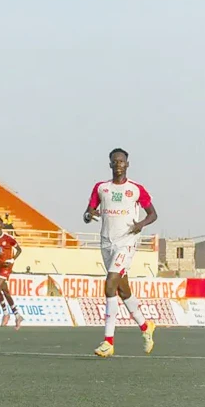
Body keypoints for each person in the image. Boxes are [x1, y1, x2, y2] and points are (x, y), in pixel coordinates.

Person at [84, 148, 159, 358]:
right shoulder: (101, 188)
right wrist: (89, 215)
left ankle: (108, 341)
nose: (118, 164)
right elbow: (88, 212)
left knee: (110, 284)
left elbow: (153, 214)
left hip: (127, 242)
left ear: (127, 165)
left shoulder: (135, 189)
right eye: (114, 161)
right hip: (107, 243)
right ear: (110, 165)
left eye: (121, 161)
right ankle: (146, 327)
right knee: (123, 290)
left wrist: (141, 225)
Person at [0, 216, 24, 329]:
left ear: (2, 226)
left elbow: (19, 250)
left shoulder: (8, 238)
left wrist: (12, 259)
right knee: (5, 292)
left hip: (6, 266)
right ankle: (17, 315)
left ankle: (6, 313)